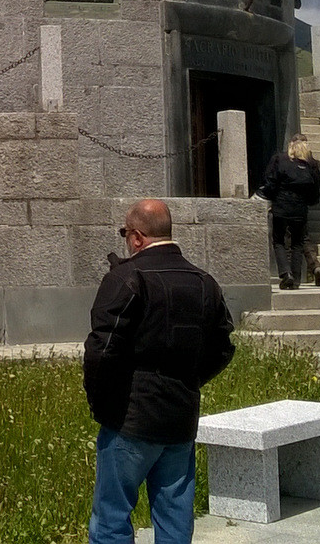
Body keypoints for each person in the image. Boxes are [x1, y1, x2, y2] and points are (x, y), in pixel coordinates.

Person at [84, 198, 236, 544]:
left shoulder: (125, 277)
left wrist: (101, 405)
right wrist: (190, 380)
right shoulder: (204, 281)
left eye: (125, 233)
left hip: (129, 416)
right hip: (180, 417)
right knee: (174, 522)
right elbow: (224, 347)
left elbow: (100, 351)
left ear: (137, 237)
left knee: (111, 521)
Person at [260, 133, 320, 289]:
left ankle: (285, 273)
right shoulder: (311, 165)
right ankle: (295, 279)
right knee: (298, 243)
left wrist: (269, 196)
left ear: (290, 146)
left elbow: (270, 182)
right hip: (300, 209)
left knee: (279, 241)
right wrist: (309, 202)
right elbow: (315, 190)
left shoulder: (280, 160)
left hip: (281, 206)